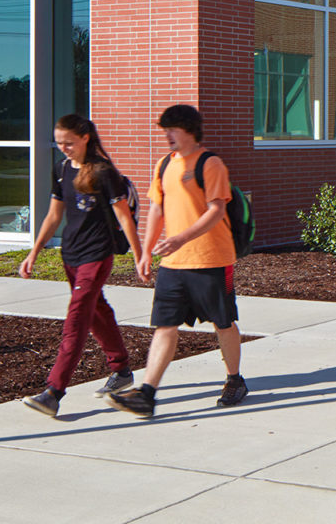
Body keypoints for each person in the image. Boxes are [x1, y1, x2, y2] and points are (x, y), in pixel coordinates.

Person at [105, 103, 247, 418]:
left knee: (222, 323)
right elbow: (156, 209)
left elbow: (216, 211)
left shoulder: (211, 164)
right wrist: (144, 251)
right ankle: (147, 393)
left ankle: (234, 380)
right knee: (164, 326)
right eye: (165, 129)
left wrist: (181, 237)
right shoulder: (164, 165)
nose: (167, 135)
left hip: (212, 259)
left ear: (190, 130)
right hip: (173, 264)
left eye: (173, 129)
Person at [19, 114, 142, 418]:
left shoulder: (103, 172)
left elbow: (124, 217)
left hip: (97, 256)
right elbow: (52, 216)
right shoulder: (62, 169)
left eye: (69, 143)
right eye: (59, 142)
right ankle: (122, 369)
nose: (63, 148)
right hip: (70, 255)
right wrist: (33, 252)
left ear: (85, 137)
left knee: (76, 319)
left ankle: (53, 391)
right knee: (96, 311)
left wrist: (141, 256)